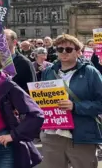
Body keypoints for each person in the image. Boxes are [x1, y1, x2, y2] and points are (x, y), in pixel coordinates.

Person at [40, 34, 102, 168]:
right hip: (53, 134)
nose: (63, 52)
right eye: (60, 49)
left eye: (68, 49)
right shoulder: (48, 72)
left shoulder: (90, 72)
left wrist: (75, 106)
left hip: (81, 135)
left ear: (78, 51)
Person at [4, 29, 36, 93]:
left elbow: (31, 89)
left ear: (14, 42)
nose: (1, 41)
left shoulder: (24, 63)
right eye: (0, 39)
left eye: (6, 39)